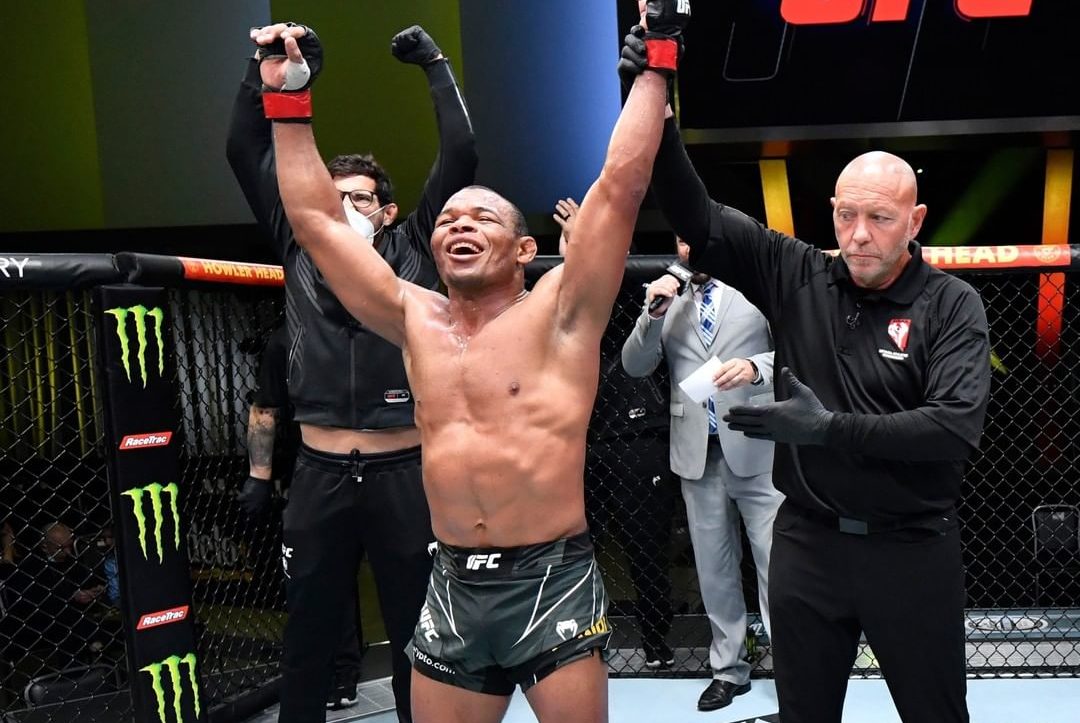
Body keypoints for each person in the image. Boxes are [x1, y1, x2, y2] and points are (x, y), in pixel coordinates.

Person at [253, 2, 689, 720]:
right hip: (453, 581)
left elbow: (620, 185)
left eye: (482, 217)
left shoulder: (562, 311)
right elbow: (318, 222)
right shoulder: (412, 317)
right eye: (448, 219)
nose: (459, 224)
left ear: (524, 250)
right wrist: (288, 100)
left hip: (550, 577)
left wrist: (658, 62)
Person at [619, 34, 992, 723]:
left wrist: (827, 430)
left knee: (936, 714)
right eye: (847, 215)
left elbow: (952, 427)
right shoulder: (797, 273)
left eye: (880, 218)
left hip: (910, 547)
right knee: (804, 714)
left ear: (915, 221)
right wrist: (656, 104)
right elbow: (696, 215)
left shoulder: (950, 304)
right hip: (808, 542)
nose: (859, 234)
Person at [226, 22, 477, 723]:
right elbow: (242, 150)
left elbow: (461, 152)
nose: (344, 209)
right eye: (333, 198)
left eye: (360, 198)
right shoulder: (299, 243)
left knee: (419, 637)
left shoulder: (414, 247)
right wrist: (261, 74)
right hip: (320, 474)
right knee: (307, 635)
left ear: (387, 210)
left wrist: (435, 64)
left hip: (405, 474)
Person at [620, 234, 782, 710]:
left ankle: (794, 669)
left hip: (759, 447)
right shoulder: (666, 297)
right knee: (713, 569)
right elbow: (634, 364)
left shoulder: (759, 286)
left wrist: (755, 367)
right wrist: (652, 314)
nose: (691, 248)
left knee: (778, 566)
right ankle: (729, 670)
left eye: (699, 237)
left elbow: (799, 350)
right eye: (683, 240)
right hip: (697, 455)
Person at [555, 198, 676, 671]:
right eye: (572, 243)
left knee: (647, 548)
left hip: (637, 434)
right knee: (576, 550)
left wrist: (591, 236)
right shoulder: (558, 301)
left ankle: (657, 644)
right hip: (579, 441)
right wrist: (574, 244)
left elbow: (610, 274)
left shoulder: (635, 291)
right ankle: (577, 645)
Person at [238, 320, 366, 710]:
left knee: (406, 577)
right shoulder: (287, 340)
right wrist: (258, 476)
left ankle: (419, 683)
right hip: (317, 472)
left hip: (389, 465)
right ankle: (339, 676)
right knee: (324, 578)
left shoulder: (387, 320)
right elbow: (266, 407)